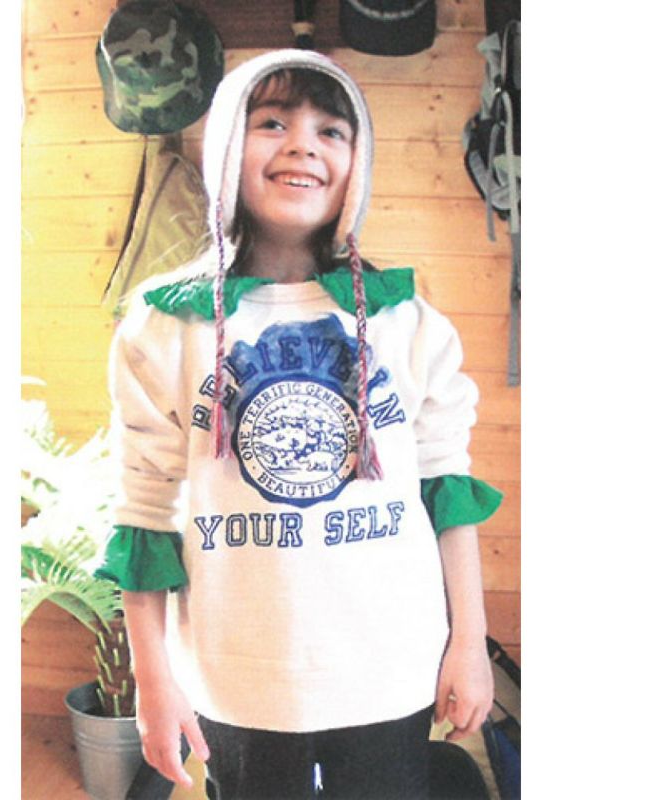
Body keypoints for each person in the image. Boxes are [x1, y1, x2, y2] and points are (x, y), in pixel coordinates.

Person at [95, 49, 504, 800]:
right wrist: (153, 681)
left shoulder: (407, 322)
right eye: (272, 122)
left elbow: (447, 493)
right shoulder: (164, 327)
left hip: (388, 666)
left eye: (330, 130)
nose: (303, 146)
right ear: (226, 146)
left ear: (357, 164)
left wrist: (469, 644)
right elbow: (143, 513)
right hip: (239, 677)